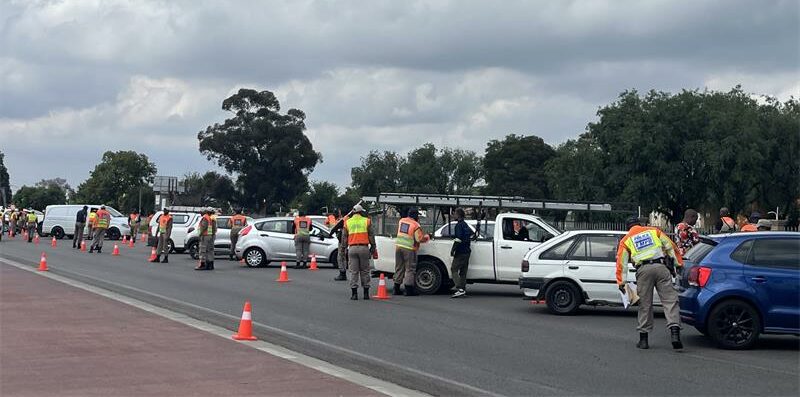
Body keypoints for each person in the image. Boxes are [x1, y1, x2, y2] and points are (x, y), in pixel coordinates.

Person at [616, 216, 684, 350]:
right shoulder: (654, 231)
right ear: (640, 224)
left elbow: (621, 264)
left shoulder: (625, 240)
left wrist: (621, 282)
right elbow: (670, 246)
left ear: (627, 228)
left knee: (645, 305)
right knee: (670, 301)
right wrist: (678, 263)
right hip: (661, 267)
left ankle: (644, 340)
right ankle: (675, 333)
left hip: (643, 271)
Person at [341, 204, 376, 300]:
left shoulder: (347, 222)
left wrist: (343, 250)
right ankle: (365, 294)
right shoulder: (367, 221)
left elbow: (344, 238)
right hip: (364, 248)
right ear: (360, 212)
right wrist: (373, 247)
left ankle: (354, 294)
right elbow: (371, 236)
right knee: (365, 271)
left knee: (354, 272)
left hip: (352, 248)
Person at [394, 208, 430, 296]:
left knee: (399, 268)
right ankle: (409, 290)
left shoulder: (401, 221)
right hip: (409, 248)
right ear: (416, 216)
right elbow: (419, 239)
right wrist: (427, 236)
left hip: (398, 247)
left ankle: (396, 288)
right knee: (410, 269)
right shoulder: (415, 225)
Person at [450, 208, 472, 298]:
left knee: (454, 269)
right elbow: (471, 234)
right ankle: (463, 288)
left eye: (454, 213)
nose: (453, 215)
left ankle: (460, 289)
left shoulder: (459, 225)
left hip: (460, 251)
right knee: (463, 271)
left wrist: (453, 249)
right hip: (467, 251)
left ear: (458, 215)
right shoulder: (465, 225)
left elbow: (458, 239)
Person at [329, 210, 350, 281]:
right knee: (343, 256)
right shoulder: (351, 219)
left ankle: (342, 273)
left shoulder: (345, 219)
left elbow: (336, 227)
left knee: (341, 256)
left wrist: (330, 233)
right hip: (350, 240)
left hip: (343, 240)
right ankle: (343, 272)